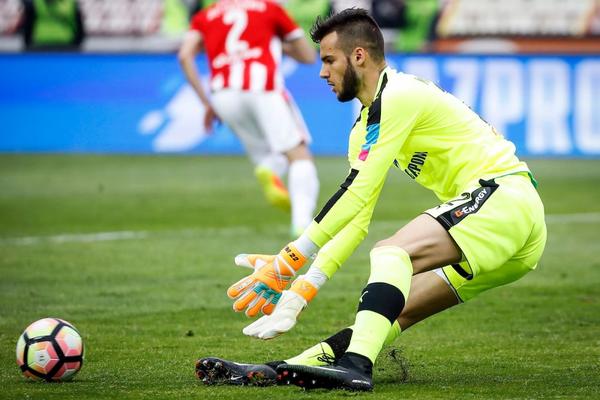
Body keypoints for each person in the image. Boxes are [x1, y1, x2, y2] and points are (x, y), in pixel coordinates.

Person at [200, 8, 547, 391]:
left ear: (359, 56)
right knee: (391, 312)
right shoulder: (365, 127)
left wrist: (289, 259)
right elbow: (356, 218)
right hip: (511, 234)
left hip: (503, 196)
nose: (322, 72)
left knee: (391, 253)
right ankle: (282, 368)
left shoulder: (400, 94)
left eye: (329, 60)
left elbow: (357, 191)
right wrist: (304, 288)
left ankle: (356, 367)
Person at [178, 0, 320, 236]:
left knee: (271, 154)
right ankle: (302, 223)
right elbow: (308, 56)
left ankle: (269, 167)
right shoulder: (269, 8)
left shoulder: (206, 15)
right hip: (262, 88)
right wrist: (278, 44)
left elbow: (185, 56)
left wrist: (206, 103)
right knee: (299, 155)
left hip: (223, 95)